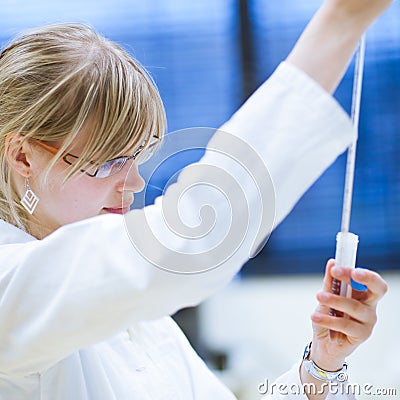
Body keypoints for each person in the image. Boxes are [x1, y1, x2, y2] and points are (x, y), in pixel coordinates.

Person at [0, 0, 391, 399]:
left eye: (136, 158)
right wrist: (341, 19)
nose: (134, 182)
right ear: (23, 156)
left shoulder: (141, 324)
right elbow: (181, 246)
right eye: (110, 161)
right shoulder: (9, 286)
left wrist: (321, 366)